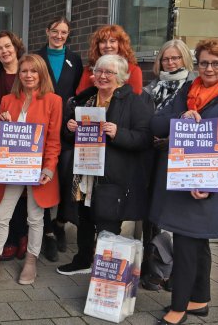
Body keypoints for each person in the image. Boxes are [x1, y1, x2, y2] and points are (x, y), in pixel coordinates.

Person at [149, 39, 218, 325]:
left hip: (206, 187)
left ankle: (178, 306)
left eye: (216, 63)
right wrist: (180, 118)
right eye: (204, 62)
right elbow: (155, 124)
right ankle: (200, 299)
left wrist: (211, 185)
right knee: (198, 243)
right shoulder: (186, 93)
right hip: (183, 181)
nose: (209, 68)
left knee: (186, 245)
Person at [56, 54, 154, 276]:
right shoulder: (86, 98)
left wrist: (118, 133)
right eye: (99, 71)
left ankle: (106, 271)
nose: (102, 76)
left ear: (120, 76)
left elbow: (145, 138)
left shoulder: (135, 101)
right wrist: (69, 128)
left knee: (107, 222)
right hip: (85, 172)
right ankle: (82, 259)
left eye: (108, 72)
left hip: (114, 174)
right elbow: (68, 137)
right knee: (84, 217)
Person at [0, 54, 62, 285]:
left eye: (34, 71)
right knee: (2, 215)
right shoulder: (7, 99)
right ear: (18, 74)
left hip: (37, 168)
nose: (29, 75)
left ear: (41, 74)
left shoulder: (53, 101)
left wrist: (50, 168)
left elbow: (53, 139)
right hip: (12, 167)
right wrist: (0, 123)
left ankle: (31, 261)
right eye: (24, 71)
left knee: (35, 218)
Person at [140, 39, 196, 290]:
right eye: (166, 58)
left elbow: (195, 123)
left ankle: (174, 271)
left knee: (174, 216)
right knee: (151, 215)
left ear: (185, 59)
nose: (171, 62)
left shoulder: (192, 87)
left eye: (175, 58)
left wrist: (169, 138)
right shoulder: (150, 88)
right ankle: (153, 269)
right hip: (150, 156)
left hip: (177, 158)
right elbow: (145, 121)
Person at [35, 17, 84, 260]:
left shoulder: (75, 60)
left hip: (65, 127)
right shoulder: (36, 57)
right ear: (47, 31)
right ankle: (47, 233)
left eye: (64, 32)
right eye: (55, 31)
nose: (59, 36)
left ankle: (61, 223)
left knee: (66, 174)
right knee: (40, 178)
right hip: (40, 126)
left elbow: (78, 94)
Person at [0, 31, 30, 261]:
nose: (4, 51)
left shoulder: (29, 68)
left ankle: (19, 237)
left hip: (25, 140)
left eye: (8, 46)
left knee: (20, 190)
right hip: (1, 139)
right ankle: (16, 235)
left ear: (16, 46)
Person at [77, 25, 143, 94]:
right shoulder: (89, 70)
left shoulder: (132, 70)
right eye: (103, 42)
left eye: (112, 41)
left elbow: (135, 97)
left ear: (120, 44)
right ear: (97, 45)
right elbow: (80, 95)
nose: (108, 46)